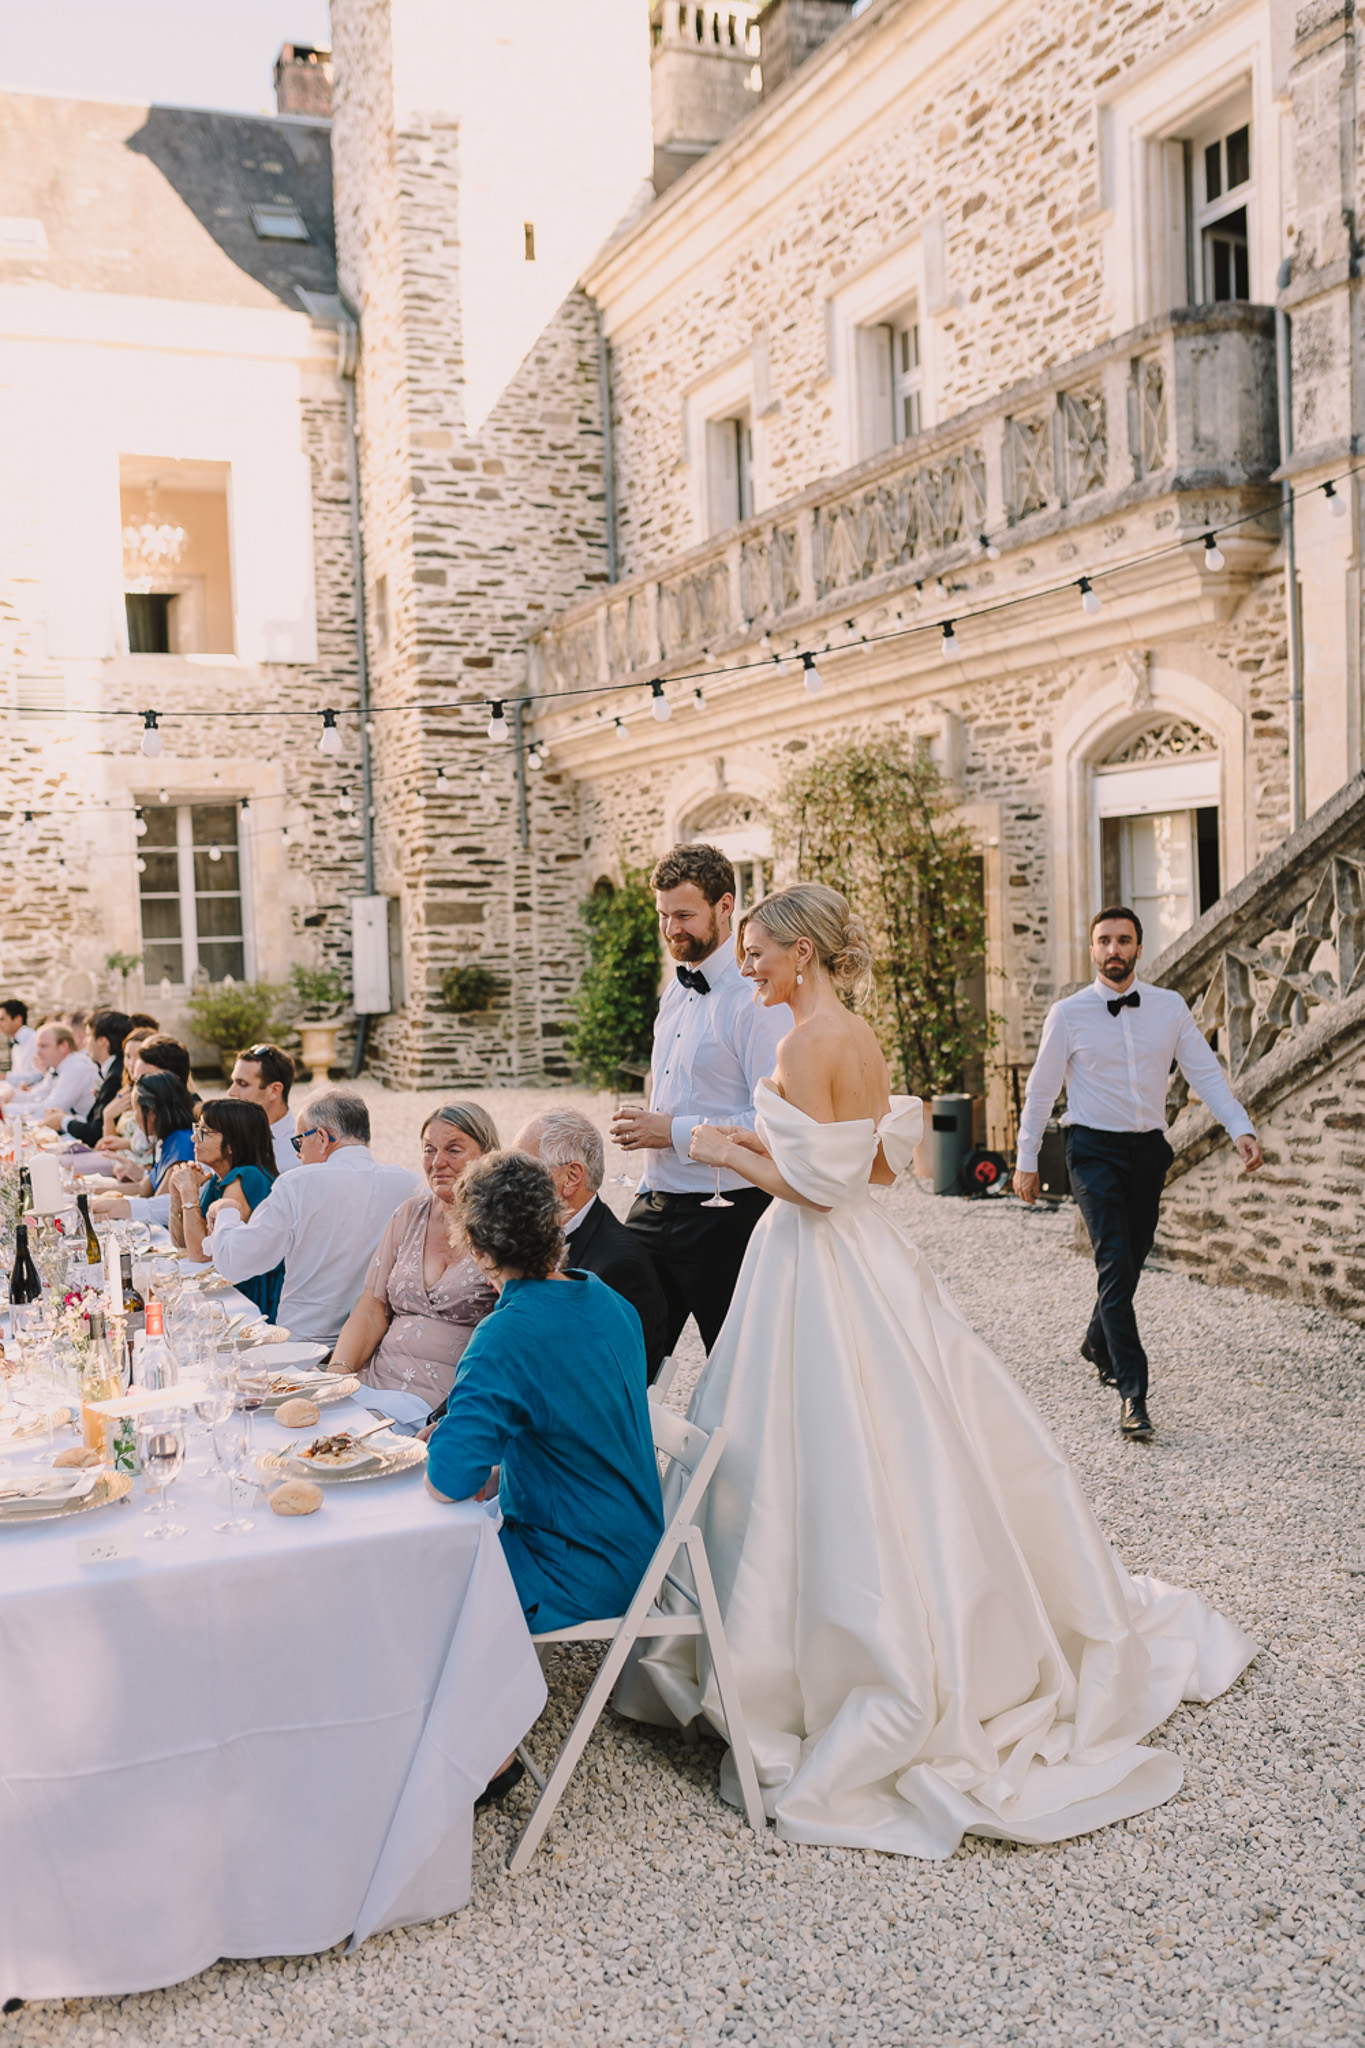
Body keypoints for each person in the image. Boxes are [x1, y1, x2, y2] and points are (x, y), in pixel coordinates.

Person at [615, 882, 1257, 1859]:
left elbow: (816, 1189)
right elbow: (871, 1171)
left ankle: (826, 1657)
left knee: (810, 1449)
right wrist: (755, 1142)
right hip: (874, 1260)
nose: (749, 967)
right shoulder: (858, 1035)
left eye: (760, 951)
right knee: (915, 1434)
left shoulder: (797, 1045)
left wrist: (706, 1142)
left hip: (812, 1260)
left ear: (802, 952)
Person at [1014, 905, 1263, 1443]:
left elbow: (1205, 1074)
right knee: (1111, 1256)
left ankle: (1095, 1340)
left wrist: (1239, 1127)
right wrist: (1025, 1159)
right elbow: (1040, 1091)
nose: (1113, 950)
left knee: (1130, 1260)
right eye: (1103, 940)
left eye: (1123, 940)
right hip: (1092, 1149)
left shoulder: (1169, 1008)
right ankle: (1133, 1392)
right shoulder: (1068, 1014)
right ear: (1091, 950)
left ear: (1138, 949)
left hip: (1149, 1150)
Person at [426, 1150, 664, 1633]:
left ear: (475, 1246)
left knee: (408, 1579)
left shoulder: (506, 1334)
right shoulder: (606, 1297)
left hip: (573, 1565)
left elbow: (447, 1483)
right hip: (637, 1542)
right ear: (554, 1219)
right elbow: (573, 1424)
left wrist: (459, 1460)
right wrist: (498, 1471)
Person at [611, 843, 790, 1355]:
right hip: (655, 1203)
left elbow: (769, 1122)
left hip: (728, 1213)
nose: (671, 930)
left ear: (725, 906)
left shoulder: (758, 1001)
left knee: (738, 1368)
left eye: (685, 915)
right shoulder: (675, 989)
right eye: (664, 915)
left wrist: (669, 1131)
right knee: (614, 1353)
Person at [203, 1087, 420, 1348]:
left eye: (299, 1141)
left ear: (321, 1137)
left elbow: (235, 1262)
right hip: (376, 1346)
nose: (297, 1153)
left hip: (305, 1348)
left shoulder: (298, 1183)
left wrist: (227, 1210)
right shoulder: (410, 1183)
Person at [332, 1102, 499, 1408]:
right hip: (377, 1383)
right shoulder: (409, 1215)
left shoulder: (505, 1228)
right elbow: (371, 1308)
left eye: (453, 1150)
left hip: (449, 1402)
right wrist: (336, 1375)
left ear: (486, 1154)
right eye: (429, 1150)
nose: (437, 1162)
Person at [515, 1107, 668, 1381]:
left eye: (523, 1170)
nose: (510, 1184)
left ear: (572, 1177)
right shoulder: (522, 1237)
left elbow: (603, 1381)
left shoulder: (618, 1266)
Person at [167, 1098, 284, 1322]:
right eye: (196, 1129)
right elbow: (182, 1242)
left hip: (251, 1299)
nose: (194, 1138)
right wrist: (177, 1195)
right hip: (230, 1285)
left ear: (232, 1144)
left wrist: (190, 1191)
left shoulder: (248, 1177)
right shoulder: (219, 1180)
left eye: (204, 1132)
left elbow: (199, 1254)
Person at [89, 1071, 196, 1224]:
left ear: (151, 1112)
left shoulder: (182, 1145)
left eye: (135, 1110)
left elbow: (158, 1204)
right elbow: (142, 1188)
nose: (134, 1117)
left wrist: (114, 1206)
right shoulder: (169, 1140)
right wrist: (88, 1193)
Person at [41, 1009, 131, 1145]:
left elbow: (95, 1133)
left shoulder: (116, 1075)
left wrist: (62, 1121)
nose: (85, 1042)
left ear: (102, 1041)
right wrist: (68, 1117)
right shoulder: (113, 1069)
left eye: (88, 1036)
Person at [225, 1042, 299, 1176]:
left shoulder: (302, 1148)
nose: (231, 1092)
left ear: (274, 1090)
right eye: (233, 1082)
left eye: (242, 1084)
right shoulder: (223, 1134)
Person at [7, 1022, 101, 1122]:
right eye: (37, 1046)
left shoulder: (77, 1067)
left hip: (84, 1133)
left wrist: (6, 1109)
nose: (37, 1052)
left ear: (63, 1046)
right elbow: (37, 1095)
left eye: (43, 1046)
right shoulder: (56, 1067)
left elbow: (52, 1108)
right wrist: (12, 1096)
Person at [0, 999, 37, 1083]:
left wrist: (5, 1076)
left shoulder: (35, 1040)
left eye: (2, 1019)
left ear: (18, 1019)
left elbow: (40, 1076)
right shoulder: (16, 1042)